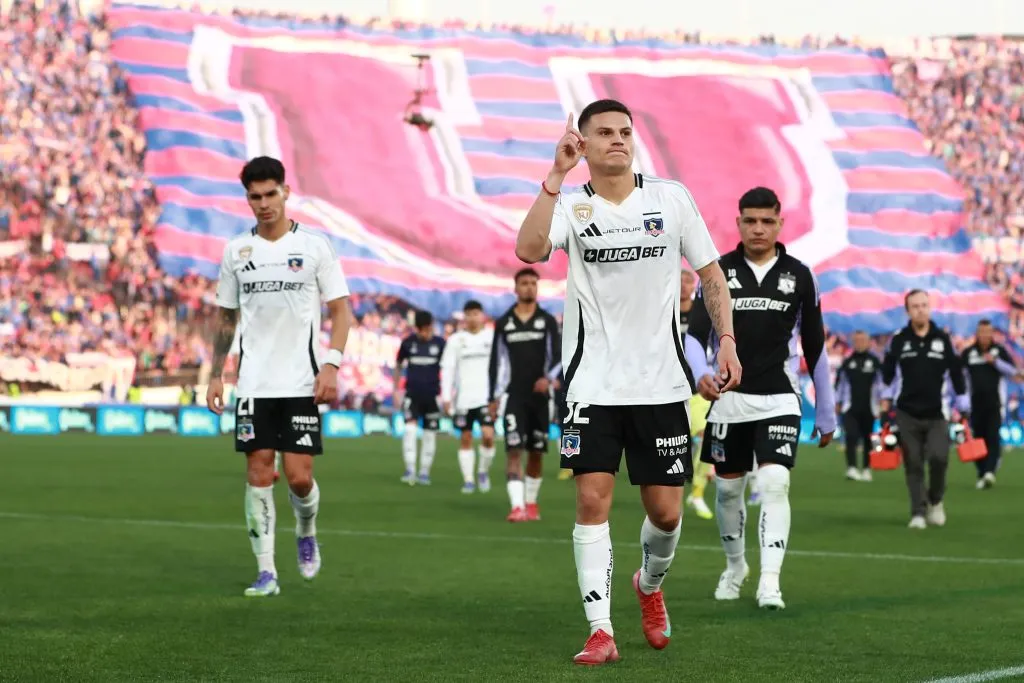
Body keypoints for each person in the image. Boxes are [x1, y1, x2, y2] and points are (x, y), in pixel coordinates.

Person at [514, 99, 741, 665]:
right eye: (604, 133)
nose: (617, 140)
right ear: (583, 144)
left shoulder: (670, 198)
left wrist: (727, 341)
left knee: (666, 514)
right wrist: (554, 176)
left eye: (624, 132)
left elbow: (710, 274)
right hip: (592, 385)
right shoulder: (570, 206)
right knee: (591, 500)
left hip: (663, 385)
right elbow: (527, 250)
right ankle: (600, 629)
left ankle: (649, 585)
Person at [206, 156, 351, 598]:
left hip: (300, 382)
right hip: (253, 383)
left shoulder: (314, 246)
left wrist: (332, 363)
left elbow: (341, 310)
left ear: (285, 192)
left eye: (271, 194)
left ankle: (306, 531)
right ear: (247, 198)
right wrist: (216, 373)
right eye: (255, 196)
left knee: (299, 479)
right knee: (257, 471)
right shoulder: (236, 252)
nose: (264, 203)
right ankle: (266, 570)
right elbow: (226, 318)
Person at [686, 186, 836, 611]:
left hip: (780, 399)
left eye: (766, 221)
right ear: (738, 223)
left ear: (779, 223)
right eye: (750, 220)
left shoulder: (801, 275)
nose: (758, 229)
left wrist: (825, 412)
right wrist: (700, 375)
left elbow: (816, 347)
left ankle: (770, 581)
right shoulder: (717, 273)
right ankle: (736, 567)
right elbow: (695, 336)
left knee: (774, 481)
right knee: (728, 493)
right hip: (729, 401)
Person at [880, 289, 970, 529]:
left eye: (924, 305)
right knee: (914, 463)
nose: (921, 309)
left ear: (930, 308)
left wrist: (962, 401)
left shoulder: (943, 339)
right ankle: (918, 512)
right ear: (908, 311)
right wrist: (884, 403)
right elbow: (887, 376)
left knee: (939, 458)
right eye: (915, 306)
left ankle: (936, 500)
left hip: (937, 413)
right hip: (906, 412)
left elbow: (955, 372)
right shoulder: (898, 339)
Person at [487, 267, 561, 522]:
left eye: (533, 283)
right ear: (516, 288)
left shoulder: (547, 321)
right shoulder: (504, 323)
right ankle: (517, 506)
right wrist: (493, 398)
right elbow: (497, 362)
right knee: (514, 449)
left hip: (540, 398)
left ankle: (531, 503)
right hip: (514, 396)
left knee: (536, 452)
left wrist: (548, 378)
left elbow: (558, 357)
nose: (529, 287)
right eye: (524, 283)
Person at [440, 300, 498, 493]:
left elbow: (501, 367)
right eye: (469, 314)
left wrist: (499, 396)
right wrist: (446, 396)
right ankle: (468, 479)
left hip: (486, 397)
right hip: (464, 398)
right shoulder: (456, 340)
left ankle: (482, 471)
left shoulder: (492, 337)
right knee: (465, 438)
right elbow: (448, 369)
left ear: (482, 316)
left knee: (488, 437)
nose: (472, 317)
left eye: (476, 313)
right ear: (464, 317)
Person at [959, 319, 1021, 489]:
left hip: (995, 403)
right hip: (975, 404)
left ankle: (990, 472)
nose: (985, 335)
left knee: (993, 437)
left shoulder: (999, 351)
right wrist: (962, 404)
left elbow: (1014, 372)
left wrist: (996, 362)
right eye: (982, 332)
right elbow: (961, 379)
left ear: (992, 334)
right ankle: (982, 472)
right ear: (977, 334)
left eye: (988, 332)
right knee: (978, 439)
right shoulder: (968, 353)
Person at [394, 311, 445, 486]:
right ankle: (410, 469)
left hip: (432, 396)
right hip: (412, 395)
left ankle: (424, 471)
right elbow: (399, 365)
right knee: (409, 431)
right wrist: (395, 390)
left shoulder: (440, 344)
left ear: (431, 326)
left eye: (427, 329)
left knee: (430, 434)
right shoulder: (408, 343)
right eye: (421, 329)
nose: (424, 333)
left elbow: (449, 368)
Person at [681, 270, 714, 519]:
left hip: (696, 389)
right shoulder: (664, 310)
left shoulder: (701, 314)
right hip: (666, 390)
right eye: (678, 280)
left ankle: (697, 493)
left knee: (705, 437)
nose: (682, 285)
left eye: (687, 280)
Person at [834, 330, 882, 481]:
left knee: (868, 439)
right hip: (850, 407)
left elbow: (881, 384)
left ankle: (867, 468)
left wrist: (882, 402)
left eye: (863, 340)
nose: (860, 343)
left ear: (868, 342)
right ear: (853, 342)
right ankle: (852, 468)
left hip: (869, 407)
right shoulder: (847, 362)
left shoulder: (875, 362)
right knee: (851, 436)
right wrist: (838, 402)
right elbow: (839, 384)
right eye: (857, 340)